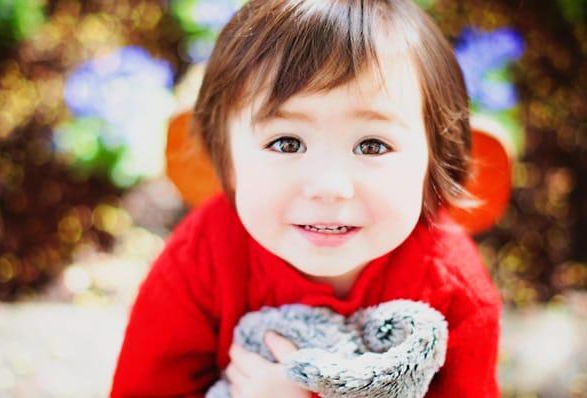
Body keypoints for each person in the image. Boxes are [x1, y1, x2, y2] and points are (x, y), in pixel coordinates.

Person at [110, 0, 503, 397]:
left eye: (371, 145)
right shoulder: (201, 257)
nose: (329, 185)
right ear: (226, 161)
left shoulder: (455, 289)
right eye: (286, 143)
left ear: (436, 158)